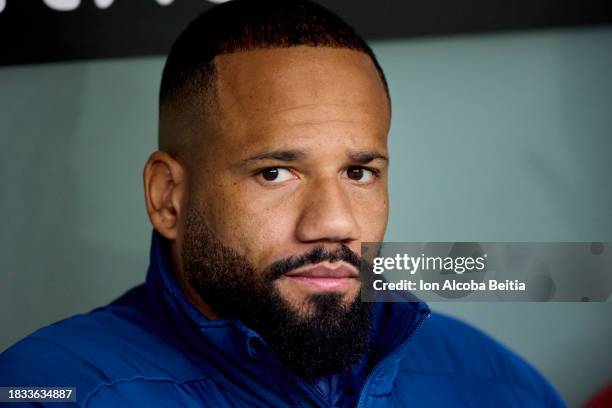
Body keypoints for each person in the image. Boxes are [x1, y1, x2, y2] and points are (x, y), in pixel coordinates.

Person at [0, 1, 565, 406]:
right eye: (275, 173)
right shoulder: (51, 388)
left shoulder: (495, 383)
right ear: (167, 197)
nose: (336, 222)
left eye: (359, 172)